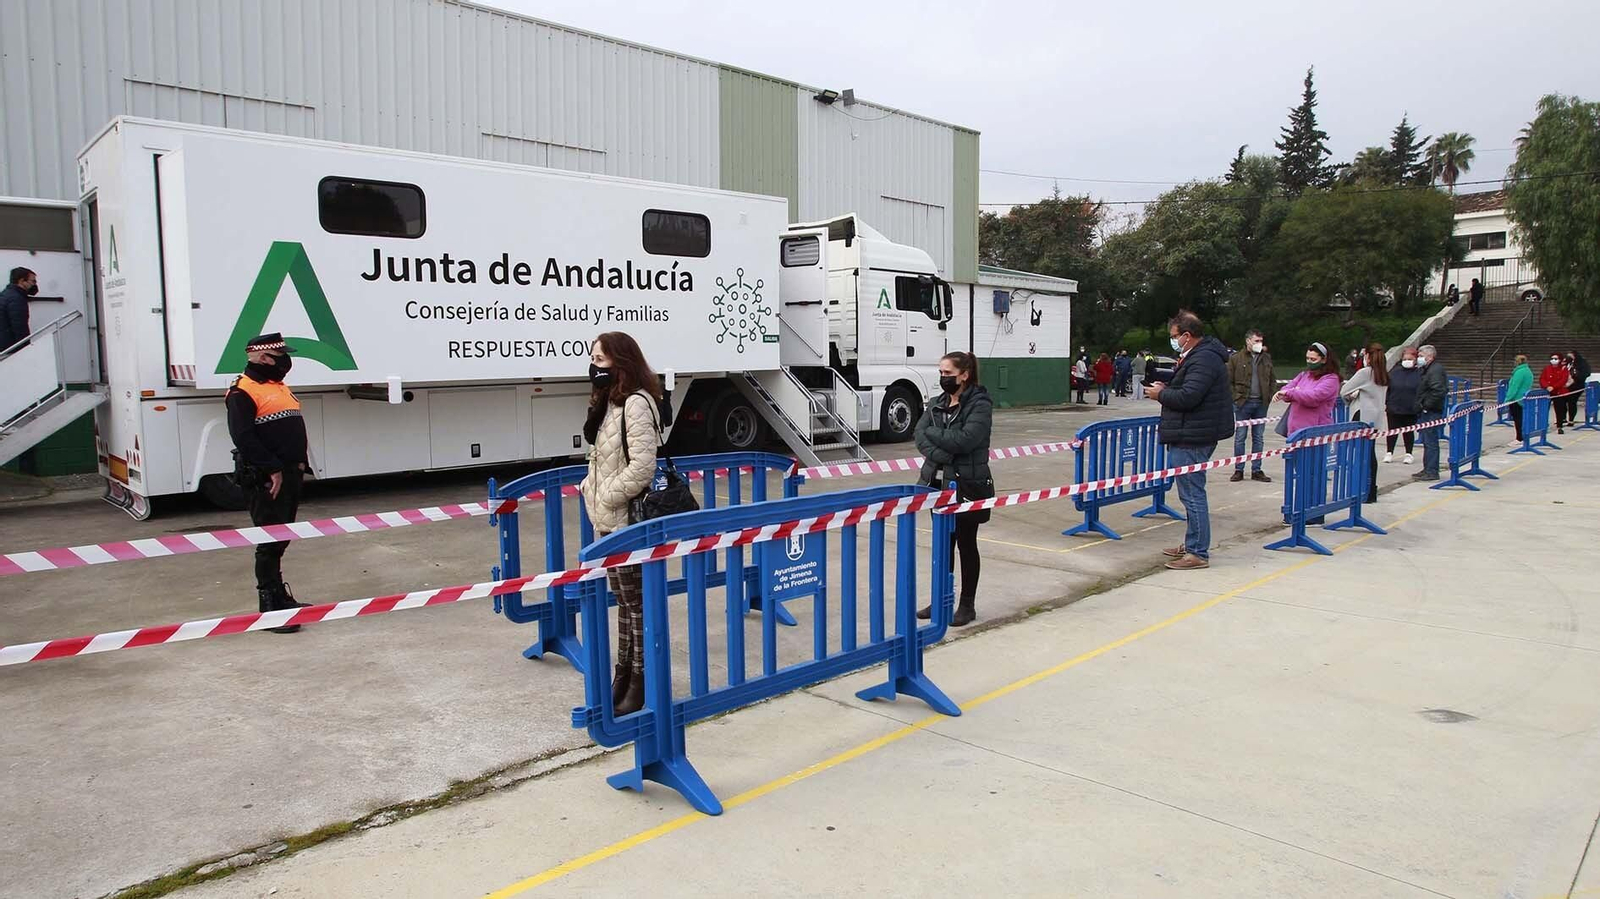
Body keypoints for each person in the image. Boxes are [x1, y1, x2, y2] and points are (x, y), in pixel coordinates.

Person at [578, 331, 663, 716]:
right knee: (625, 603)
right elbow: (601, 457)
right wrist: (589, 488)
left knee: (636, 604)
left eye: (601, 359)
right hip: (608, 521)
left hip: (626, 520)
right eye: (593, 358)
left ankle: (640, 681)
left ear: (622, 362)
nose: (594, 365)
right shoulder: (611, 402)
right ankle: (623, 674)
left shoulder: (636, 404)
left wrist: (607, 495)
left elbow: (643, 467)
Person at [225, 333, 312, 635]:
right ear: (263, 357)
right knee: (270, 539)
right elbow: (244, 437)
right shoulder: (242, 391)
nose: (285, 360)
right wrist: (272, 469)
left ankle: (280, 597)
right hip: (266, 478)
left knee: (282, 536)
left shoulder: (276, 386)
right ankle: (269, 606)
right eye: (279, 355)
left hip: (288, 474)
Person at [1144, 310, 1233, 571]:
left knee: (1193, 494)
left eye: (1174, 337)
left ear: (1186, 335)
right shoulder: (1198, 356)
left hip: (1193, 435)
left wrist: (1161, 395)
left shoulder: (1203, 358)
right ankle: (1193, 541)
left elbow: (1190, 397)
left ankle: (1197, 552)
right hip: (1191, 431)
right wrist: (1169, 386)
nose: (1173, 342)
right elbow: (1189, 388)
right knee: (1190, 493)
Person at [914, 351, 993, 627]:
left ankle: (967, 605)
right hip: (937, 484)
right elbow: (918, 434)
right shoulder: (938, 403)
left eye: (947, 373)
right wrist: (944, 452)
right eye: (941, 373)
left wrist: (936, 438)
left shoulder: (980, 405)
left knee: (966, 544)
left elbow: (965, 440)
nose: (943, 378)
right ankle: (941, 600)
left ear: (964, 375)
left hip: (967, 485)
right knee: (942, 547)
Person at [1342, 343, 1389, 503]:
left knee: (1359, 455)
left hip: (1361, 416)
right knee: (1370, 454)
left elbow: (1344, 390)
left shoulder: (1365, 372)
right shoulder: (1382, 373)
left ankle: (1359, 489)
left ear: (1368, 356)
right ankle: (1370, 490)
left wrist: (1353, 396)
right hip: (1375, 417)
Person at [1226, 328, 1274, 483]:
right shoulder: (1235, 358)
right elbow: (1228, 381)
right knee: (1240, 437)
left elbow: (1272, 379)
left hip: (1261, 403)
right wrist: (1235, 398)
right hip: (1242, 403)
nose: (1259, 344)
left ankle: (1256, 469)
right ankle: (1238, 469)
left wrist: (1270, 395)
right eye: (1256, 341)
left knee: (1258, 438)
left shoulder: (1266, 358)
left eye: (1261, 341)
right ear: (1248, 341)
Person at [1274, 342, 1342, 434]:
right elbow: (1285, 391)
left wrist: (1292, 393)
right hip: (1295, 431)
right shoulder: (1304, 375)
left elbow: (1313, 398)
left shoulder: (1331, 379)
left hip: (1316, 432)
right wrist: (1292, 393)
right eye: (1307, 358)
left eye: (1313, 359)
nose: (1309, 362)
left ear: (1324, 360)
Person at [1413, 344, 1448, 481]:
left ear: (1430, 357)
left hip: (1431, 411)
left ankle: (1432, 470)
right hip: (1427, 410)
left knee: (1431, 441)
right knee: (1427, 441)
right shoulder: (1427, 369)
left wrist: (1426, 405)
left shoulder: (1435, 370)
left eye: (1421, 356)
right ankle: (1427, 468)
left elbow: (1438, 390)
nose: (1419, 359)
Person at [1384, 347, 1421, 464]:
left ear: (1415, 359)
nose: (1407, 361)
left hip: (1410, 408)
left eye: (1410, 358)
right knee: (1392, 431)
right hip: (1394, 407)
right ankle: (1389, 452)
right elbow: (1388, 389)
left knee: (1408, 432)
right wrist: (1388, 403)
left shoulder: (1419, 373)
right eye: (1405, 358)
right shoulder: (1395, 372)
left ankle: (1408, 453)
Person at [1, 267, 37, 351]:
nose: (34, 285)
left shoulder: (6, 294)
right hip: (9, 348)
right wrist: (26, 349)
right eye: (33, 281)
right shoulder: (16, 298)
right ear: (21, 281)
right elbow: (20, 327)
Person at [1504, 354, 1533, 443]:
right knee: (1520, 418)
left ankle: (1519, 438)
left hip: (1517, 399)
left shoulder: (1519, 372)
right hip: (1523, 397)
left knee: (1518, 419)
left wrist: (1508, 399)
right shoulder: (1528, 371)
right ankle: (1522, 436)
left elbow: (1514, 386)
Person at [1540, 353, 1571, 434]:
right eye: (1552, 358)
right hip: (1547, 391)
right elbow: (1542, 378)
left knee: (1559, 409)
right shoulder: (1547, 368)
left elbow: (1563, 380)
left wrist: (1553, 386)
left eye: (1556, 358)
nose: (1554, 360)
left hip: (1558, 391)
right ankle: (1543, 425)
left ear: (1560, 360)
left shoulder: (1563, 369)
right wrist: (1547, 386)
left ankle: (1559, 426)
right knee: (1544, 409)